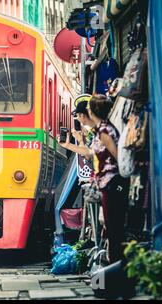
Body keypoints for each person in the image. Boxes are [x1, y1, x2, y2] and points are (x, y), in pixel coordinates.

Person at [60, 95, 129, 263]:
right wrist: (69, 146)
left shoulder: (105, 132)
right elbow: (91, 152)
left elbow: (118, 157)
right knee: (111, 227)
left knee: (114, 227)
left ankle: (117, 267)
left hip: (113, 184)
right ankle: (115, 264)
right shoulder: (101, 130)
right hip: (107, 184)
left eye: (89, 109)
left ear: (93, 111)